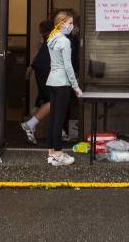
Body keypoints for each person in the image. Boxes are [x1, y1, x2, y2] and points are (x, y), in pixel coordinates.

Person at [45, 10, 82, 166]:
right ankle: (59, 154)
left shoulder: (51, 38)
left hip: (52, 81)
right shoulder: (65, 41)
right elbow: (68, 66)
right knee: (59, 120)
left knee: (53, 119)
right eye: (69, 23)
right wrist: (76, 87)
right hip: (62, 83)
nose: (71, 26)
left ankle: (51, 152)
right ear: (61, 24)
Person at [21, 19, 55, 145]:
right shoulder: (53, 39)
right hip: (48, 72)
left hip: (41, 71)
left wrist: (30, 69)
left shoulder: (47, 40)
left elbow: (37, 57)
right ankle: (31, 124)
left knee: (46, 100)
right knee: (53, 100)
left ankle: (34, 125)